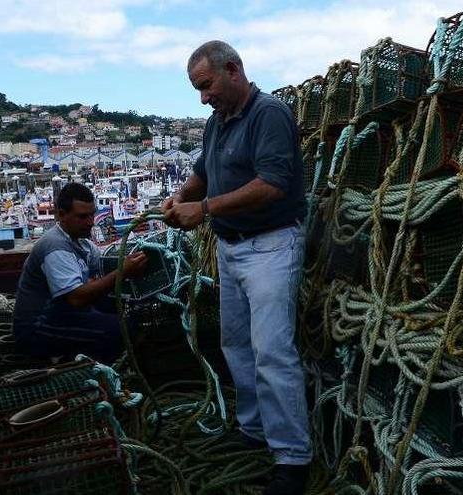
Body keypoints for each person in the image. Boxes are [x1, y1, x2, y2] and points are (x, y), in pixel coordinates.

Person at [163, 40, 312, 494]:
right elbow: (203, 173)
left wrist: (204, 209)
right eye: (198, 90)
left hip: (270, 246)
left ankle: (292, 458)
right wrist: (180, 199)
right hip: (232, 247)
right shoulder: (217, 123)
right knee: (236, 345)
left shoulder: (269, 114)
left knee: (272, 352)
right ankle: (254, 429)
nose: (203, 98)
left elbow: (272, 184)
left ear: (233, 69)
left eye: (206, 87)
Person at [12, 182, 147, 363]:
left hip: (60, 313)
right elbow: (76, 298)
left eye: (92, 214)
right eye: (82, 217)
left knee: (124, 306)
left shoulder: (81, 242)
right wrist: (123, 271)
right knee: (120, 329)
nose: (91, 222)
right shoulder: (55, 247)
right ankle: (102, 375)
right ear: (61, 215)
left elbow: (101, 268)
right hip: (37, 328)